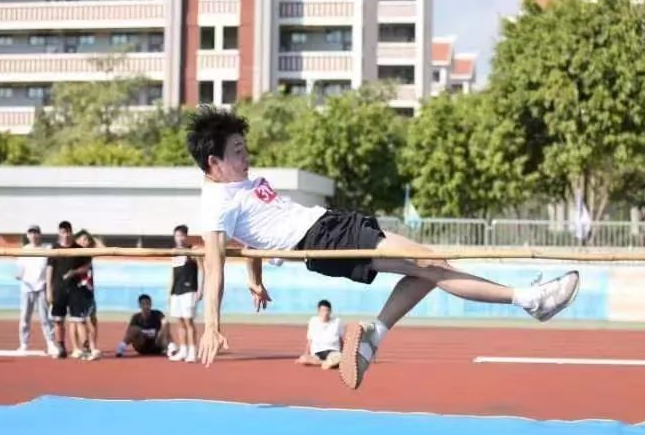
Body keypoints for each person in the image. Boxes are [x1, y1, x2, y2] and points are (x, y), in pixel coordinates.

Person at [187, 106, 581, 390]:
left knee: (429, 269)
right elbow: (215, 265)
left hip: (330, 225)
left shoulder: (236, 184)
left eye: (245, 148)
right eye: (238, 151)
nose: (247, 157)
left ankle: (375, 335)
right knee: (432, 264)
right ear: (213, 161)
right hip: (323, 240)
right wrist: (213, 327)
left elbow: (249, 240)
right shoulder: (215, 204)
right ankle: (530, 299)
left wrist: (255, 279)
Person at [46, 221, 100, 360]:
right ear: (59, 233)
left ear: (71, 232)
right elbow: (49, 269)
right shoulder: (54, 249)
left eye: (68, 232)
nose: (65, 235)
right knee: (58, 320)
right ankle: (61, 347)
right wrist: (48, 290)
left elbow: (87, 266)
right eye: (63, 232)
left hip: (75, 290)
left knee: (79, 320)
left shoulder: (79, 249)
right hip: (58, 289)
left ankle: (85, 349)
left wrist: (74, 272)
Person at [15, 224, 59, 357]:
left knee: (45, 318)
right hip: (27, 287)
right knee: (24, 317)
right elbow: (20, 269)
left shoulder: (47, 248)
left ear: (40, 234)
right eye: (31, 233)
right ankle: (24, 344)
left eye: (36, 232)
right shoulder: (24, 250)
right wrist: (19, 275)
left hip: (42, 287)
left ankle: (51, 343)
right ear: (27, 235)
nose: (33, 235)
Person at [167, 225, 203, 362]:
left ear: (186, 236)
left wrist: (200, 289)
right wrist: (169, 293)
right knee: (179, 322)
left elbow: (202, 270)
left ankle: (192, 352)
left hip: (189, 290)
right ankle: (183, 350)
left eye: (182, 235)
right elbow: (172, 274)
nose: (179, 238)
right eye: (177, 236)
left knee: (189, 322)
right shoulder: (174, 252)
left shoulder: (193, 251)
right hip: (176, 291)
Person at [296, 300, 344, 370]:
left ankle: (330, 362)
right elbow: (310, 340)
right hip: (317, 353)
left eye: (327, 310)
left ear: (330, 311)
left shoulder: (337, 321)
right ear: (318, 311)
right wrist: (306, 354)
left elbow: (341, 339)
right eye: (323, 311)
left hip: (333, 352)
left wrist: (343, 352)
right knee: (303, 359)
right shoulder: (313, 321)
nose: (325, 313)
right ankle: (325, 363)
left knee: (340, 357)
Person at [74, 229, 102, 352]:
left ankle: (92, 345)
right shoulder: (72, 252)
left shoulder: (89, 253)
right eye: (83, 239)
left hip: (89, 291)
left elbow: (103, 249)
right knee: (76, 320)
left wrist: (93, 238)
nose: (86, 242)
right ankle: (78, 347)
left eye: (87, 240)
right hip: (75, 291)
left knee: (92, 318)